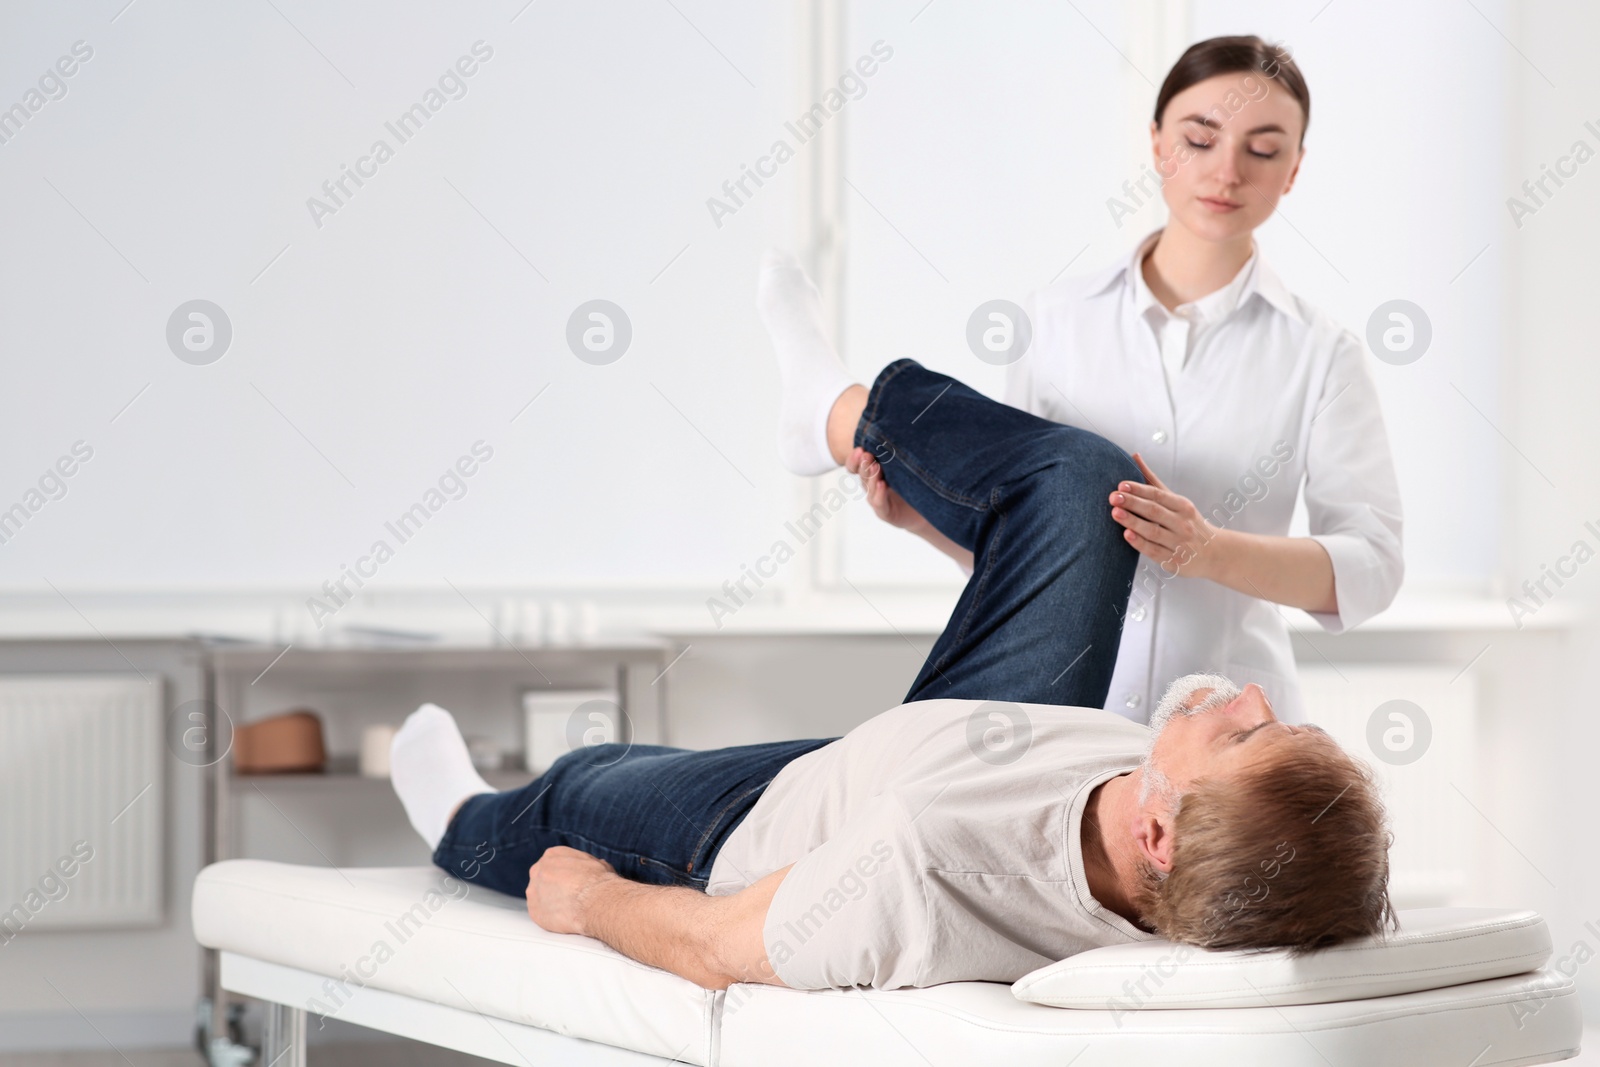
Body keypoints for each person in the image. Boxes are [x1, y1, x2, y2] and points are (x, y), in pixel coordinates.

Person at [386, 254, 1393, 991]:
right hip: (990, 738)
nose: (1254, 691)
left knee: (583, 786)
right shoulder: (1184, 825)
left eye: (1247, 729)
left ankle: (459, 822)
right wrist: (939, 526)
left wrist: (589, 904)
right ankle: (834, 411)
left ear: (1155, 831)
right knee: (1090, 484)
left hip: (794, 811)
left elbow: (711, 945)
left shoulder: (912, 867)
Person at [842, 35, 1404, 724]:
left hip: (1226, 733)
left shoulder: (1323, 354)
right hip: (1072, 716)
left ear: (1293, 169)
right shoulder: (1055, 320)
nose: (1227, 171)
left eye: (1262, 150)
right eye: (1201, 139)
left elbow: (1372, 564)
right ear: (1159, 143)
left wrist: (1213, 551)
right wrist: (923, 521)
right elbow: (1027, 540)